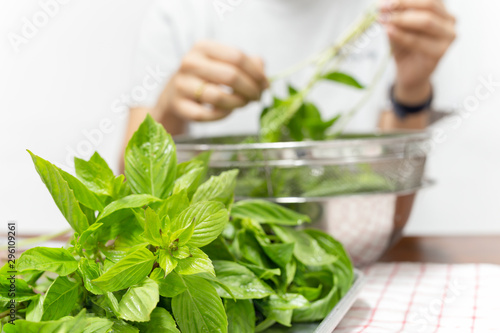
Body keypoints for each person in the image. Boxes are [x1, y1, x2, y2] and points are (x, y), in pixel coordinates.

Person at [124, 0, 456, 143]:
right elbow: (129, 190)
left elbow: (391, 208)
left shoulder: (392, 12)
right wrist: (167, 110)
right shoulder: (183, 11)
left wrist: (411, 91)